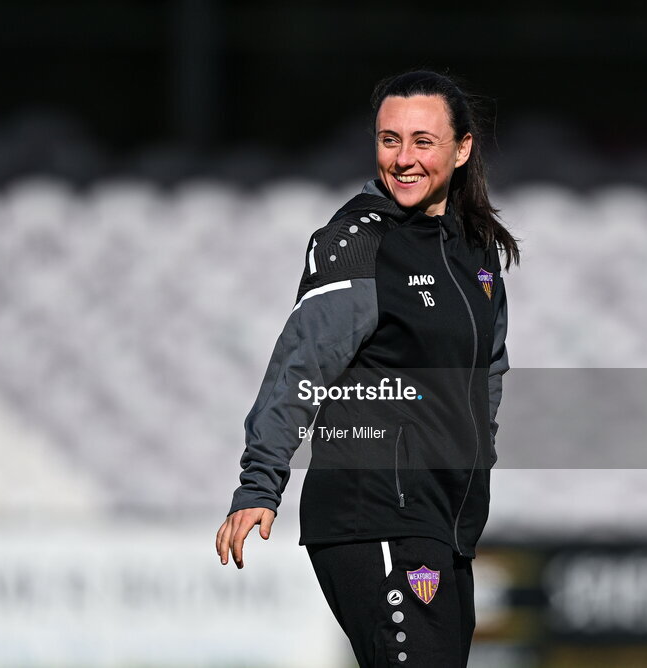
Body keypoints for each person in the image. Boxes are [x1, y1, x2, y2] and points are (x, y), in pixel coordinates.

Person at [215, 69, 520, 667]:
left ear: (461, 150)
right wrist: (261, 483)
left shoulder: (478, 251)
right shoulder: (356, 239)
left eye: (422, 142)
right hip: (373, 513)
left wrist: (474, 451)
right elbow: (301, 364)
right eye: (389, 140)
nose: (403, 159)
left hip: (446, 522)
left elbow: (490, 367)